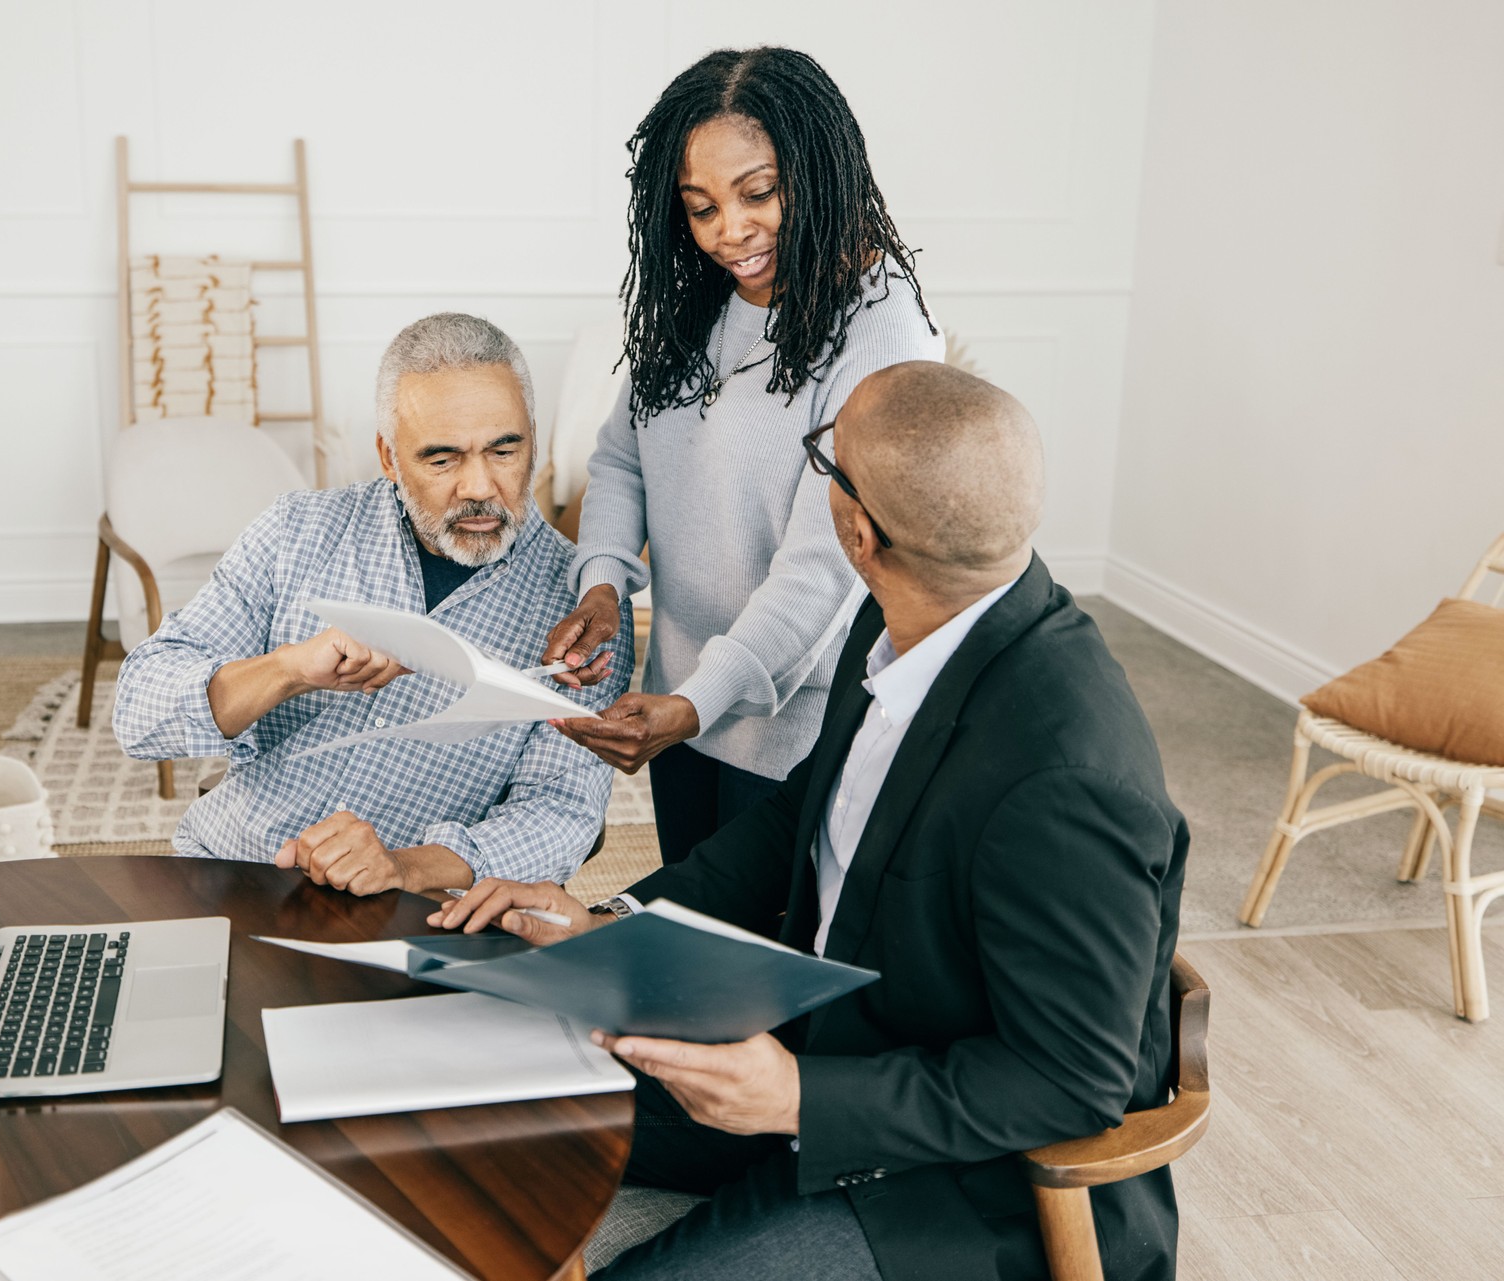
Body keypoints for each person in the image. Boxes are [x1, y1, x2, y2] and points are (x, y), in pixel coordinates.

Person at [441, 362, 1188, 1280]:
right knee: (469, 1077)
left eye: (821, 463)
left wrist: (797, 1096)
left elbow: (1070, 1080)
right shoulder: (898, 619)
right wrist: (612, 926)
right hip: (822, 1039)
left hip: (958, 1182)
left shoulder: (1066, 777)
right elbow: (801, 820)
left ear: (855, 529)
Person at [543, 47, 944, 864]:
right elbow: (621, 457)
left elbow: (822, 565)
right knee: (694, 952)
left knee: (767, 970)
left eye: (759, 193)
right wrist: (603, 582)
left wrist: (696, 702)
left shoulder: (883, 328)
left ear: (821, 170)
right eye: (701, 207)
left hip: (797, 727)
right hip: (682, 698)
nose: (730, 232)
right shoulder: (699, 304)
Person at [113, 313, 632, 897]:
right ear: (389, 456)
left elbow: (560, 815)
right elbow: (139, 716)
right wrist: (285, 671)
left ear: (531, 438)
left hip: (416, 915)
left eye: (504, 450)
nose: (480, 487)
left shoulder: (585, 612)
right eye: (442, 459)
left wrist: (402, 867)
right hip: (237, 873)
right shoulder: (296, 532)